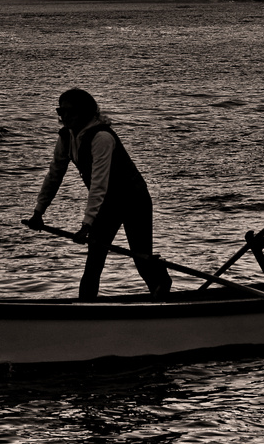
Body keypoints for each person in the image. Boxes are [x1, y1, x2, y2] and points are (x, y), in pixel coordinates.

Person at [24, 88, 172, 300]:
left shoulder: (102, 137)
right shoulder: (66, 137)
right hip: (108, 204)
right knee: (94, 262)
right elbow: (54, 175)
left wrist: (86, 224)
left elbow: (98, 184)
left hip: (134, 201)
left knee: (141, 258)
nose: (64, 116)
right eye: (60, 111)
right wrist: (38, 212)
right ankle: (86, 309)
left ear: (86, 112)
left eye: (69, 111)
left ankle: (161, 290)